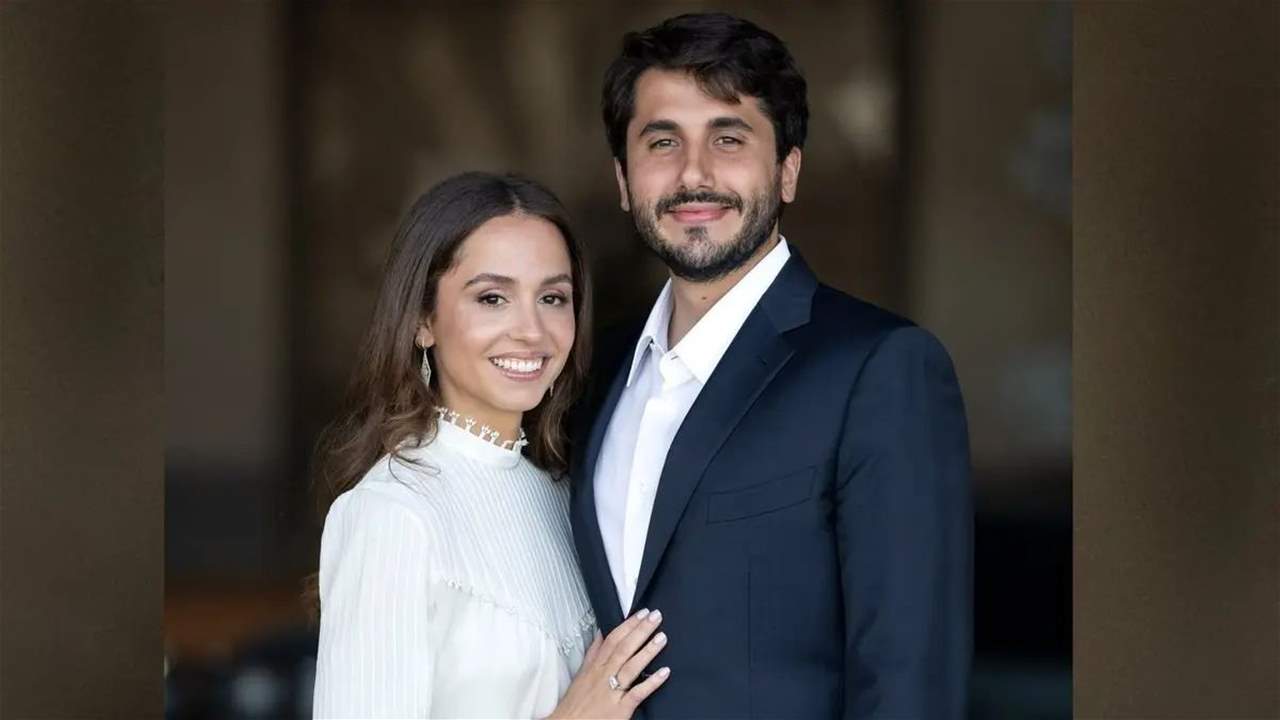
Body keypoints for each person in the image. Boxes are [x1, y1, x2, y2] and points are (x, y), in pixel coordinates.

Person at [570, 13, 972, 718]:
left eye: (728, 139)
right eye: (662, 142)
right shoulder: (592, 372)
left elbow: (909, 683)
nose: (694, 173)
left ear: (787, 170)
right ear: (624, 180)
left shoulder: (881, 370)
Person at [311, 172, 671, 719]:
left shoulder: (568, 496)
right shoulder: (390, 514)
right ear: (423, 320)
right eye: (493, 298)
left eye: (552, 297)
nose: (531, 330)